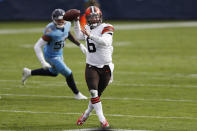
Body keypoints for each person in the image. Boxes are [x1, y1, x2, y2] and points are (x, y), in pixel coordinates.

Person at [22, 8, 88, 100]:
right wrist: (43, 62)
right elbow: (37, 46)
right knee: (68, 72)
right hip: (50, 55)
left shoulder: (68, 24)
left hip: (59, 53)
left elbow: (68, 34)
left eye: (62, 20)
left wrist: (80, 45)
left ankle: (29, 72)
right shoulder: (50, 30)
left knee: (53, 73)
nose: (61, 22)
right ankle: (77, 94)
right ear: (54, 20)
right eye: (58, 20)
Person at [74, 6, 114, 128]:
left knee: (97, 95)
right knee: (93, 93)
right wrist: (75, 22)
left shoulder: (106, 27)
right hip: (91, 66)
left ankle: (85, 114)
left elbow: (106, 42)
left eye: (96, 16)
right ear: (87, 18)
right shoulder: (86, 28)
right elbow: (79, 36)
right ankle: (103, 121)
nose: (94, 19)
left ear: (100, 16)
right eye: (91, 17)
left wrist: (90, 35)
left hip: (106, 67)